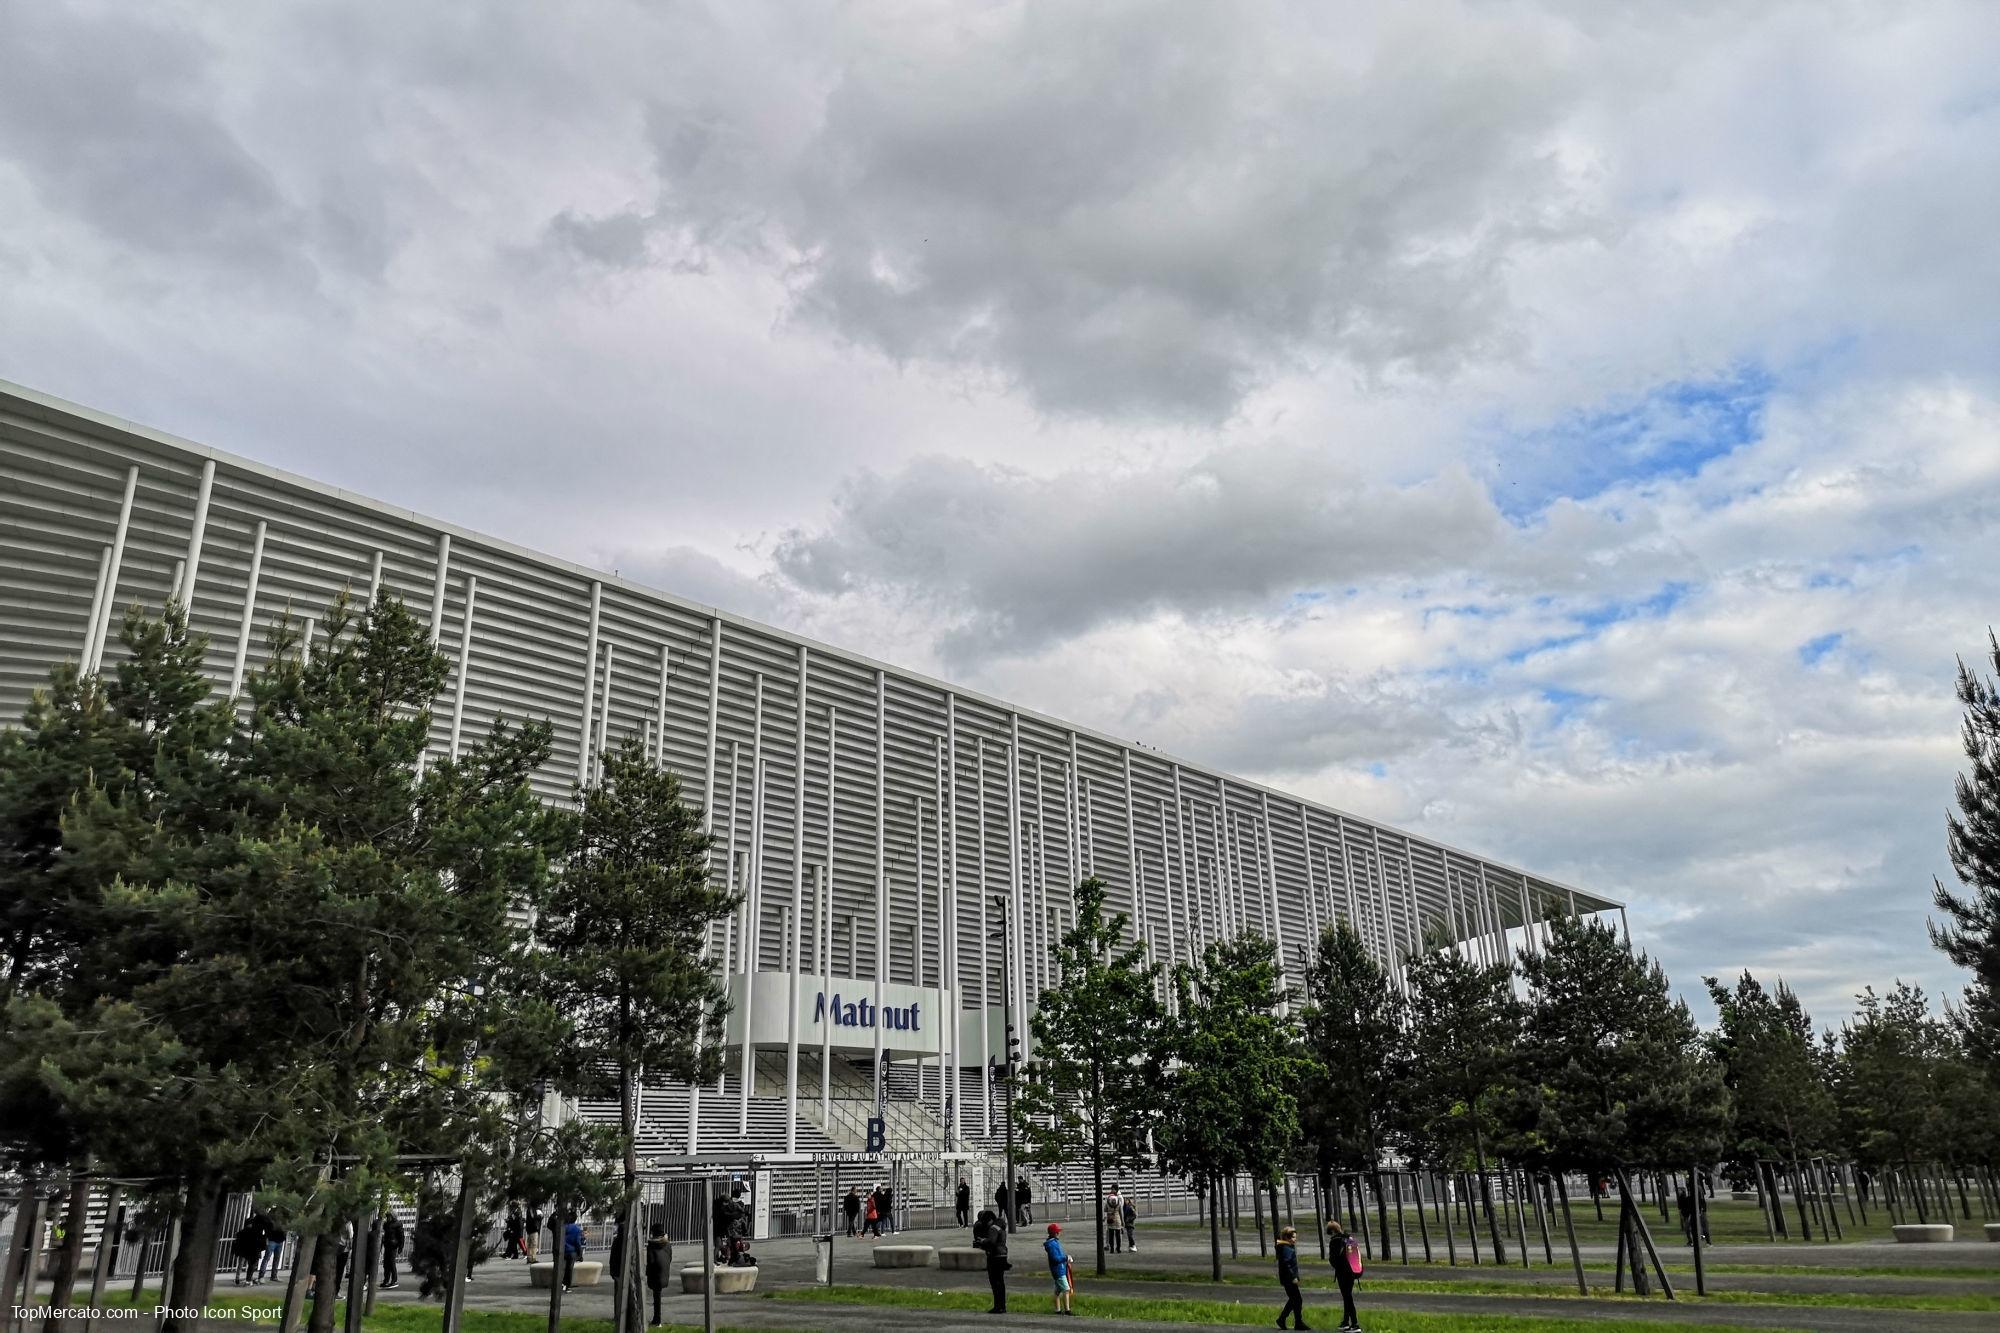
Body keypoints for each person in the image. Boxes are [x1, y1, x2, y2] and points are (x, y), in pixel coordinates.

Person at [1326, 1219, 1361, 1332]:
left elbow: (1333, 1259)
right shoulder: (1348, 1238)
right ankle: (1346, 1322)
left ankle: (1355, 1324)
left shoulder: (1335, 1241)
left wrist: (1335, 1265)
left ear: (1332, 1231)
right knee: (1347, 1296)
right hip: (1352, 1272)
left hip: (1342, 1273)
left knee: (1347, 1298)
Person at [972, 1207, 1008, 1314]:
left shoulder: (993, 1229)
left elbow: (991, 1242)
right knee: (1001, 1283)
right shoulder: (1000, 1227)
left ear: (988, 1221)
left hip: (995, 1257)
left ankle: (998, 1306)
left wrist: (983, 1241)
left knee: (995, 1282)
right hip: (1002, 1255)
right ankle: (1002, 1306)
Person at [1276, 1225, 1309, 1329]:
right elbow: (1287, 1264)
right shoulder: (1286, 1249)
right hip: (1288, 1279)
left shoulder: (1286, 1247)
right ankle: (1289, 1320)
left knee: (1295, 1299)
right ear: (1287, 1237)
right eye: (1293, 1237)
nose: (1295, 1239)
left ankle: (1290, 1320)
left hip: (1287, 1278)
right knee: (1297, 1299)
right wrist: (1293, 1276)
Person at [644, 1222, 673, 1326]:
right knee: (657, 1297)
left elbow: (650, 1261)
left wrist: (646, 1273)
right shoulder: (668, 1244)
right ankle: (657, 1319)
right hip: (664, 1273)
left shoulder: (651, 1246)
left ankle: (657, 1320)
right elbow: (670, 1258)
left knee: (656, 1298)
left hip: (655, 1274)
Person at [1042, 1222, 1073, 1316]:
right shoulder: (1052, 1245)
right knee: (1066, 1289)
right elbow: (1055, 1258)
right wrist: (1065, 1258)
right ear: (1053, 1233)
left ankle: (1057, 1310)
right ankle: (1067, 1310)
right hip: (1058, 1271)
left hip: (1059, 1269)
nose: (1058, 1233)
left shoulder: (1054, 1243)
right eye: (1056, 1232)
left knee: (1057, 1292)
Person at [232, 1216, 265, 1285]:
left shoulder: (242, 1232)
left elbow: (237, 1241)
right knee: (250, 1265)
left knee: (241, 1265)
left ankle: (238, 1278)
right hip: (250, 1252)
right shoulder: (255, 1232)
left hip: (243, 1251)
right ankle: (248, 1279)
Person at [380, 1211, 405, 1290]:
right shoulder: (386, 1224)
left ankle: (394, 1280)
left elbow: (401, 1236)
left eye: (389, 1216)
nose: (388, 1218)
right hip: (387, 1245)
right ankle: (386, 1280)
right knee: (386, 1264)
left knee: (391, 1263)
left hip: (393, 1246)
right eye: (387, 1216)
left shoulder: (397, 1224)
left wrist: (400, 1247)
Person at [259, 1217, 286, 1282]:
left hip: (278, 1241)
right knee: (268, 1258)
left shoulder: (283, 1220)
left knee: (274, 1259)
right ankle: (262, 1276)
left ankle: (273, 1276)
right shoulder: (271, 1220)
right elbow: (267, 1229)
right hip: (273, 1240)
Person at [562, 1212, 584, 1291]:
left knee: (561, 1267)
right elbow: (577, 1242)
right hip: (571, 1251)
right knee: (569, 1268)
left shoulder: (562, 1227)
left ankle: (561, 1283)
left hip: (562, 1250)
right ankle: (567, 1285)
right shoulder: (576, 1229)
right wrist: (580, 1254)